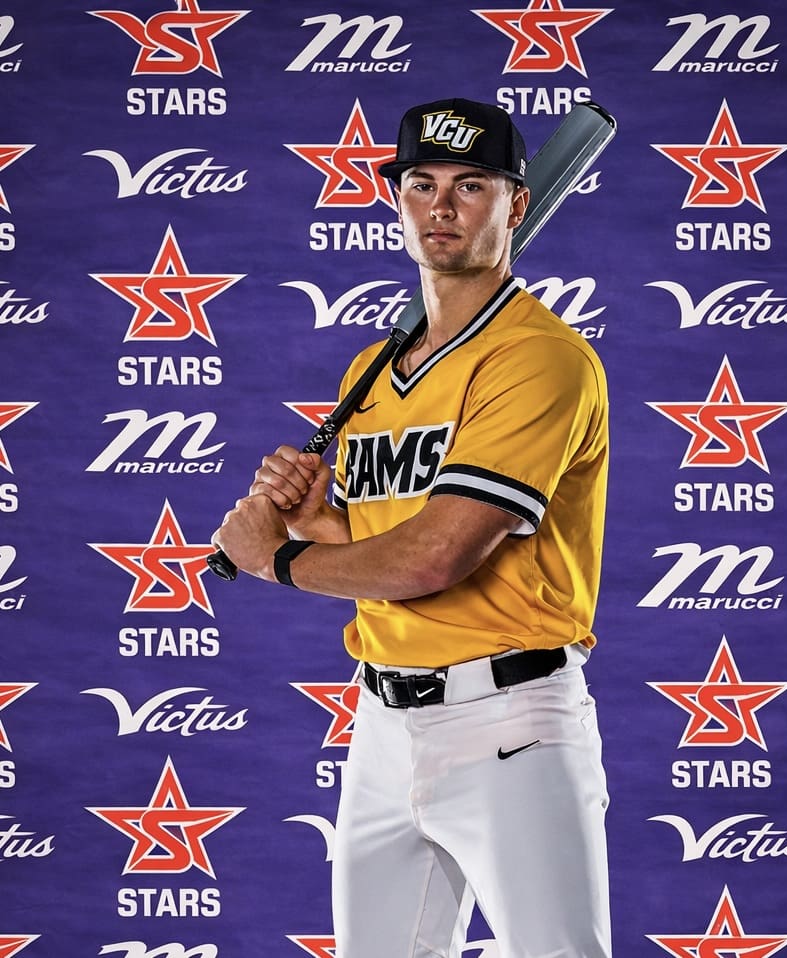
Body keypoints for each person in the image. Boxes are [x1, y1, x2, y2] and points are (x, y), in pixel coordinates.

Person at [213, 97, 612, 958]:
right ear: (398, 200)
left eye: (472, 186)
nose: (443, 206)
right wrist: (319, 524)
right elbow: (372, 544)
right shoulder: (373, 371)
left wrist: (277, 561)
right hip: (384, 726)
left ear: (518, 204)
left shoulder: (541, 359)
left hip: (510, 726)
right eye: (422, 183)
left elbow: (435, 555)